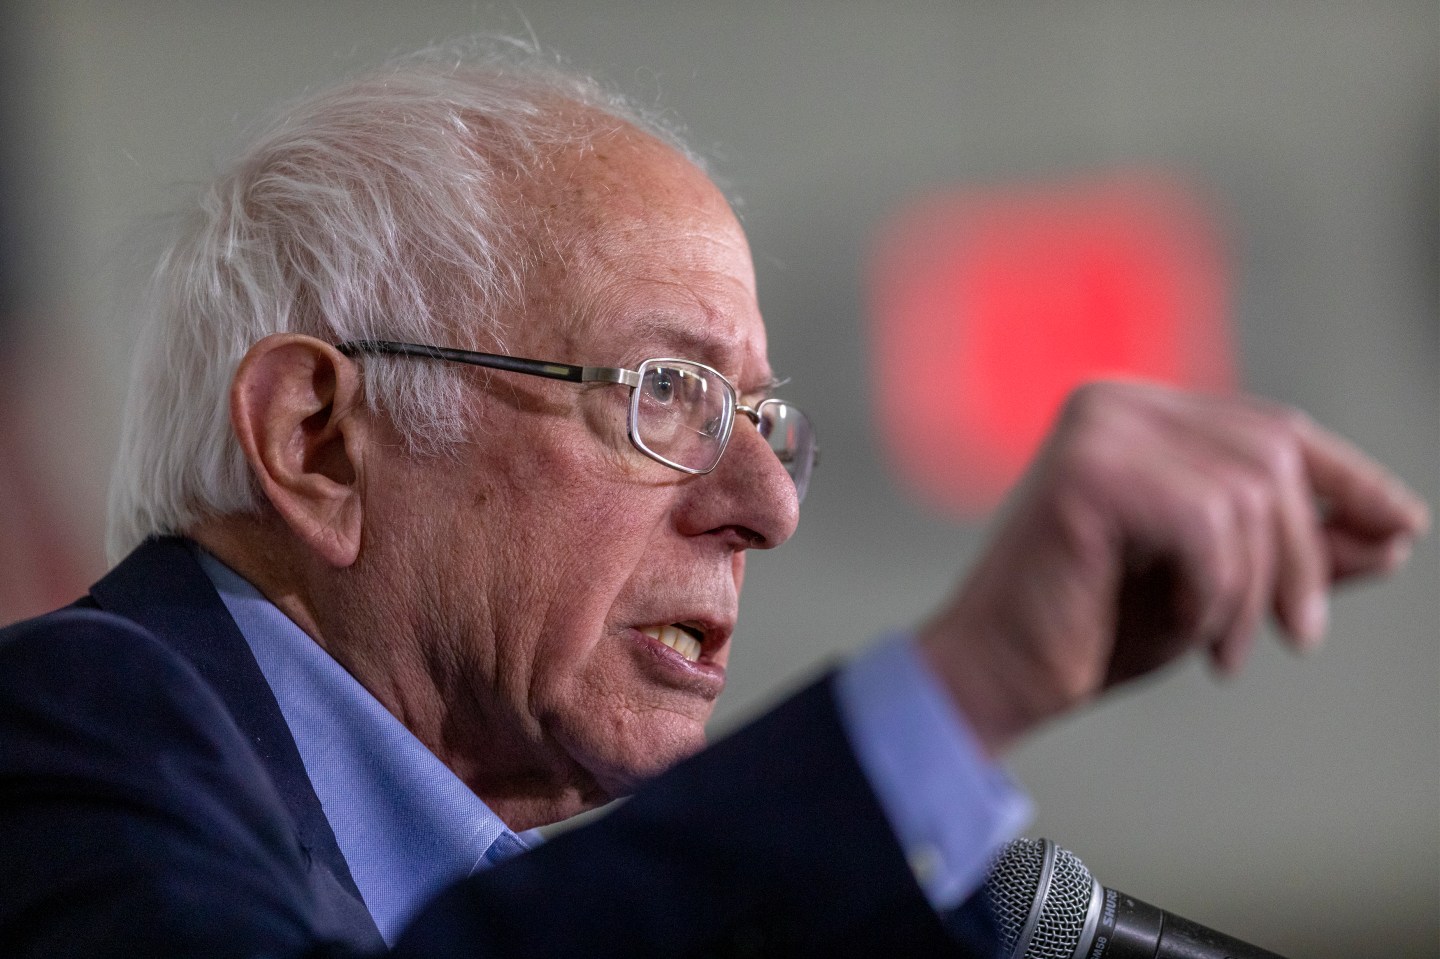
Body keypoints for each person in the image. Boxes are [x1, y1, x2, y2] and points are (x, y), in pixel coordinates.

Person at [0, 42, 1427, 959]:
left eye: (766, 421)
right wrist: (955, 691)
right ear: (316, 440)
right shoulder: (67, 730)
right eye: (665, 394)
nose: (764, 507)